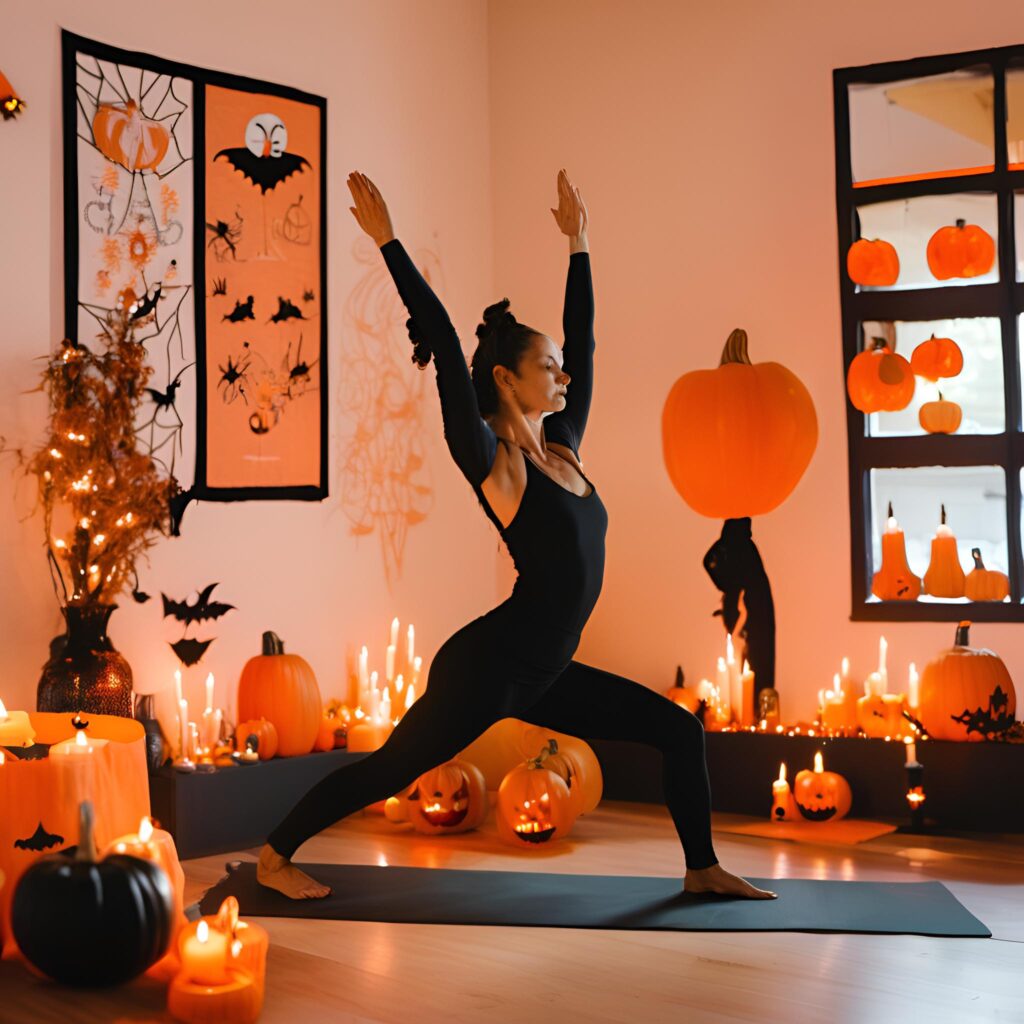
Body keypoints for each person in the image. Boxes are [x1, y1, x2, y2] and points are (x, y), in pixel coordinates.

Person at [256, 169, 776, 901]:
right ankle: (276, 855)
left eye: (561, 370)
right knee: (392, 769)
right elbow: (438, 337)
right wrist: (389, 243)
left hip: (549, 669)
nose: (564, 378)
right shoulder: (493, 463)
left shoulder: (563, 444)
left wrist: (579, 242)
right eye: (548, 368)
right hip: (491, 668)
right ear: (506, 379)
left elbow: (586, 344)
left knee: (680, 733)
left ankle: (702, 870)